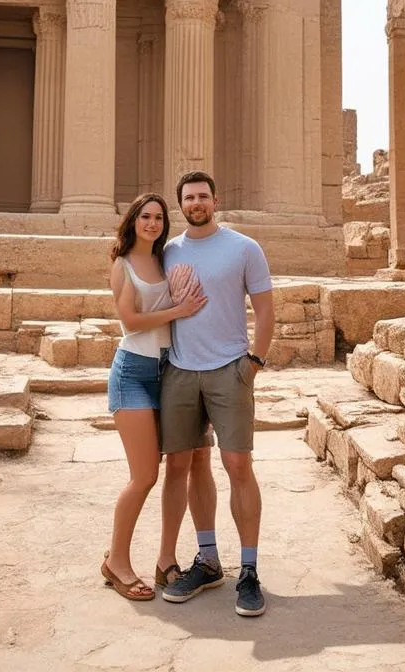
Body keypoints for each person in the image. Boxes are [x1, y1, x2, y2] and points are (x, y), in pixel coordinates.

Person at [159, 170, 275, 617]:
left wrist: (254, 363)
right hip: (181, 372)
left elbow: (265, 311)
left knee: (238, 464)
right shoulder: (169, 252)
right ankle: (207, 560)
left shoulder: (244, 248)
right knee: (189, 464)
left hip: (230, 369)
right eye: (189, 198)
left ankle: (248, 571)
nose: (197, 203)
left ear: (215, 199)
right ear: (181, 205)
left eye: (203, 196)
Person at [101, 192, 206, 601]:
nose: (152, 223)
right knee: (144, 475)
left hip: (171, 372)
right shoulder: (123, 264)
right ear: (133, 220)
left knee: (181, 466)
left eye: (159, 217)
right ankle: (117, 564)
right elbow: (130, 321)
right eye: (145, 216)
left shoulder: (167, 260)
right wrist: (178, 313)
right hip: (133, 373)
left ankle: (166, 562)